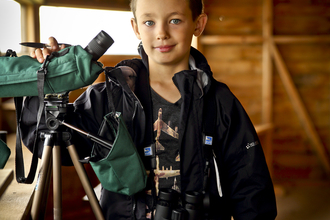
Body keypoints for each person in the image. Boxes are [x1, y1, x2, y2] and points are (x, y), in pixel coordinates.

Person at [21, 0, 277, 219]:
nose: (162, 33)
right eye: (149, 22)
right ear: (135, 27)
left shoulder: (219, 101)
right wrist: (46, 82)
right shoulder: (109, 97)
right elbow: (45, 139)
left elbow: (250, 185)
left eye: (175, 20)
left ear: (198, 24)